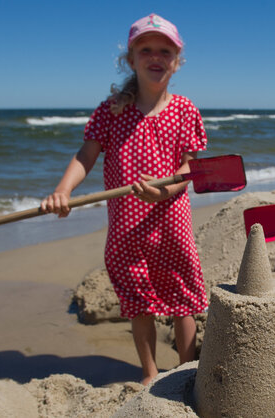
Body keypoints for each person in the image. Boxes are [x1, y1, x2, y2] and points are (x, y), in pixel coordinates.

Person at [40, 13, 208, 386]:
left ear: (176, 61)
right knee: (138, 299)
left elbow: (187, 171)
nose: (155, 56)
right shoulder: (112, 111)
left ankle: (185, 369)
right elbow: (86, 155)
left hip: (170, 222)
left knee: (181, 297)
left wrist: (163, 190)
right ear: (130, 59)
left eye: (164, 50)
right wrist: (63, 190)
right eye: (145, 49)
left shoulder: (184, 111)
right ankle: (149, 373)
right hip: (127, 225)